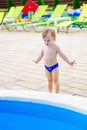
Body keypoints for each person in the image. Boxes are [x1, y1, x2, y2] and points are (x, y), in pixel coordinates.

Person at [33, 28, 76, 93]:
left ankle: (56, 93)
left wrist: (69, 61)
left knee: (55, 80)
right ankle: (50, 92)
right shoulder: (44, 46)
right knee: (49, 80)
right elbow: (41, 55)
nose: (46, 42)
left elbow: (62, 55)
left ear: (53, 38)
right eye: (45, 40)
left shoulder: (56, 47)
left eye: (48, 40)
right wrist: (36, 60)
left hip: (54, 67)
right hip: (46, 67)